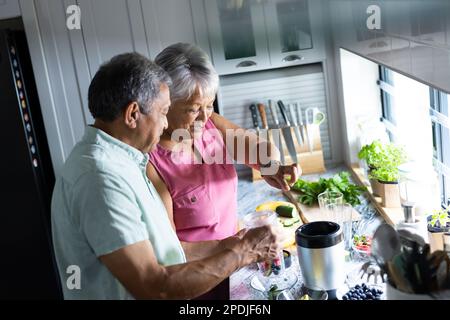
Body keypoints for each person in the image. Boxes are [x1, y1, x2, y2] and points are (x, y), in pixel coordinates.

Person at [50, 52, 281, 300]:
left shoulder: (124, 160)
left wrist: (231, 244)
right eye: (163, 112)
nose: (164, 125)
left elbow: (168, 250)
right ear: (132, 114)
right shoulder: (99, 178)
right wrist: (243, 253)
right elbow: (155, 286)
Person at [147, 43, 301, 243]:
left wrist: (271, 167)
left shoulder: (209, 125)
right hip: (203, 269)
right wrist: (238, 251)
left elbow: (259, 148)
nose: (204, 117)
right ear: (164, 103)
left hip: (237, 257)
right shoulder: (152, 164)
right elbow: (170, 250)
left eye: (209, 105)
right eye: (193, 109)